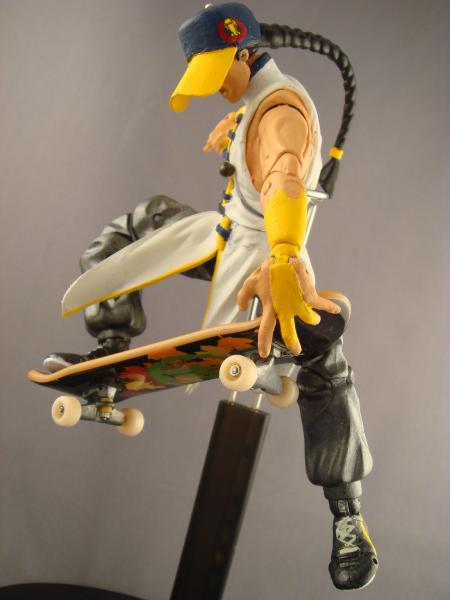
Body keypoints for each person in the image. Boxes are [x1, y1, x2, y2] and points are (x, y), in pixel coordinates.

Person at [46, 3, 378, 590]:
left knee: (320, 351)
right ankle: (113, 342)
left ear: (245, 53)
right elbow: (260, 146)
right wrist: (237, 123)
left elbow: (286, 181)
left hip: (262, 266)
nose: (216, 88)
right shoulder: (258, 100)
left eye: (220, 73)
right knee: (141, 222)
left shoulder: (281, 115)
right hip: (224, 238)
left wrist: (283, 255)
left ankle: (347, 515)